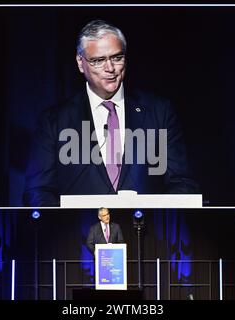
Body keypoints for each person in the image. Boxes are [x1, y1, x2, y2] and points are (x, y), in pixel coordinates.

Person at [23, 19, 200, 207]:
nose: (110, 68)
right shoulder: (54, 121)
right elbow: (39, 193)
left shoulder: (159, 111)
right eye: (98, 61)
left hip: (146, 232)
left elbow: (182, 184)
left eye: (117, 57)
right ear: (80, 63)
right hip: (79, 234)